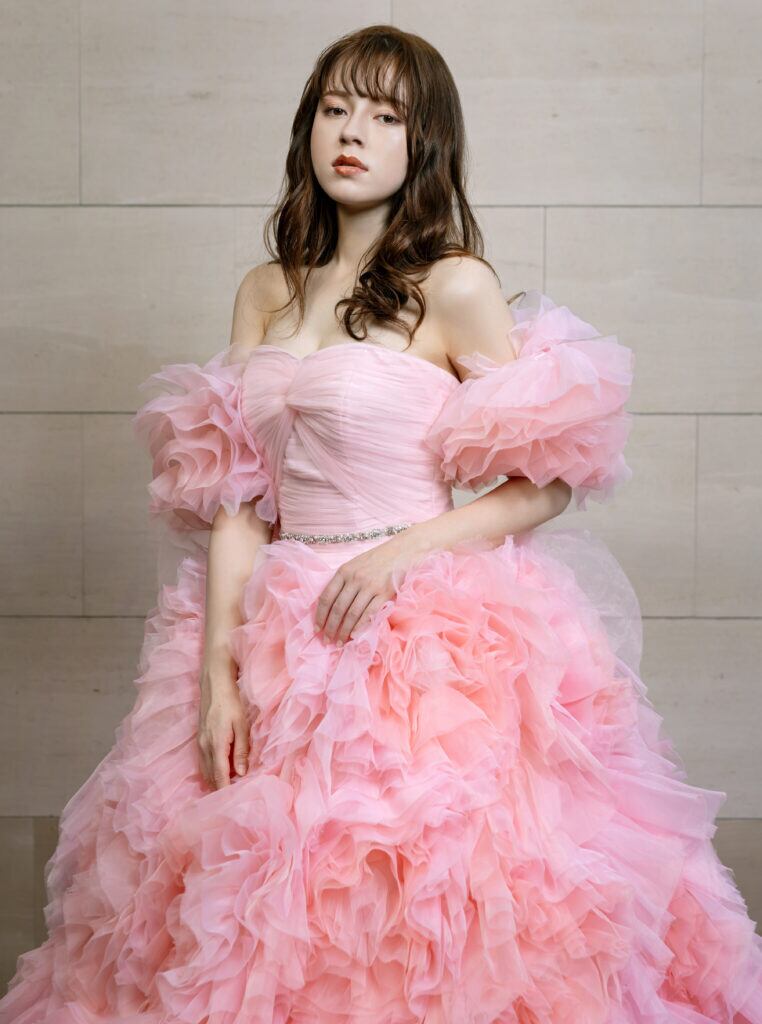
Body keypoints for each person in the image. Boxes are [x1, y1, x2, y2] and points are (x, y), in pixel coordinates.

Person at [2, 22, 761, 1024]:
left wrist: (404, 553)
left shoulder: (454, 285)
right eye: (334, 108)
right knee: (254, 902)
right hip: (277, 621)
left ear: (423, 142)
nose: (352, 132)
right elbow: (240, 497)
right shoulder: (265, 290)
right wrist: (217, 673)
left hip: (417, 629)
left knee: (417, 895)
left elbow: (547, 482)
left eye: (384, 115)